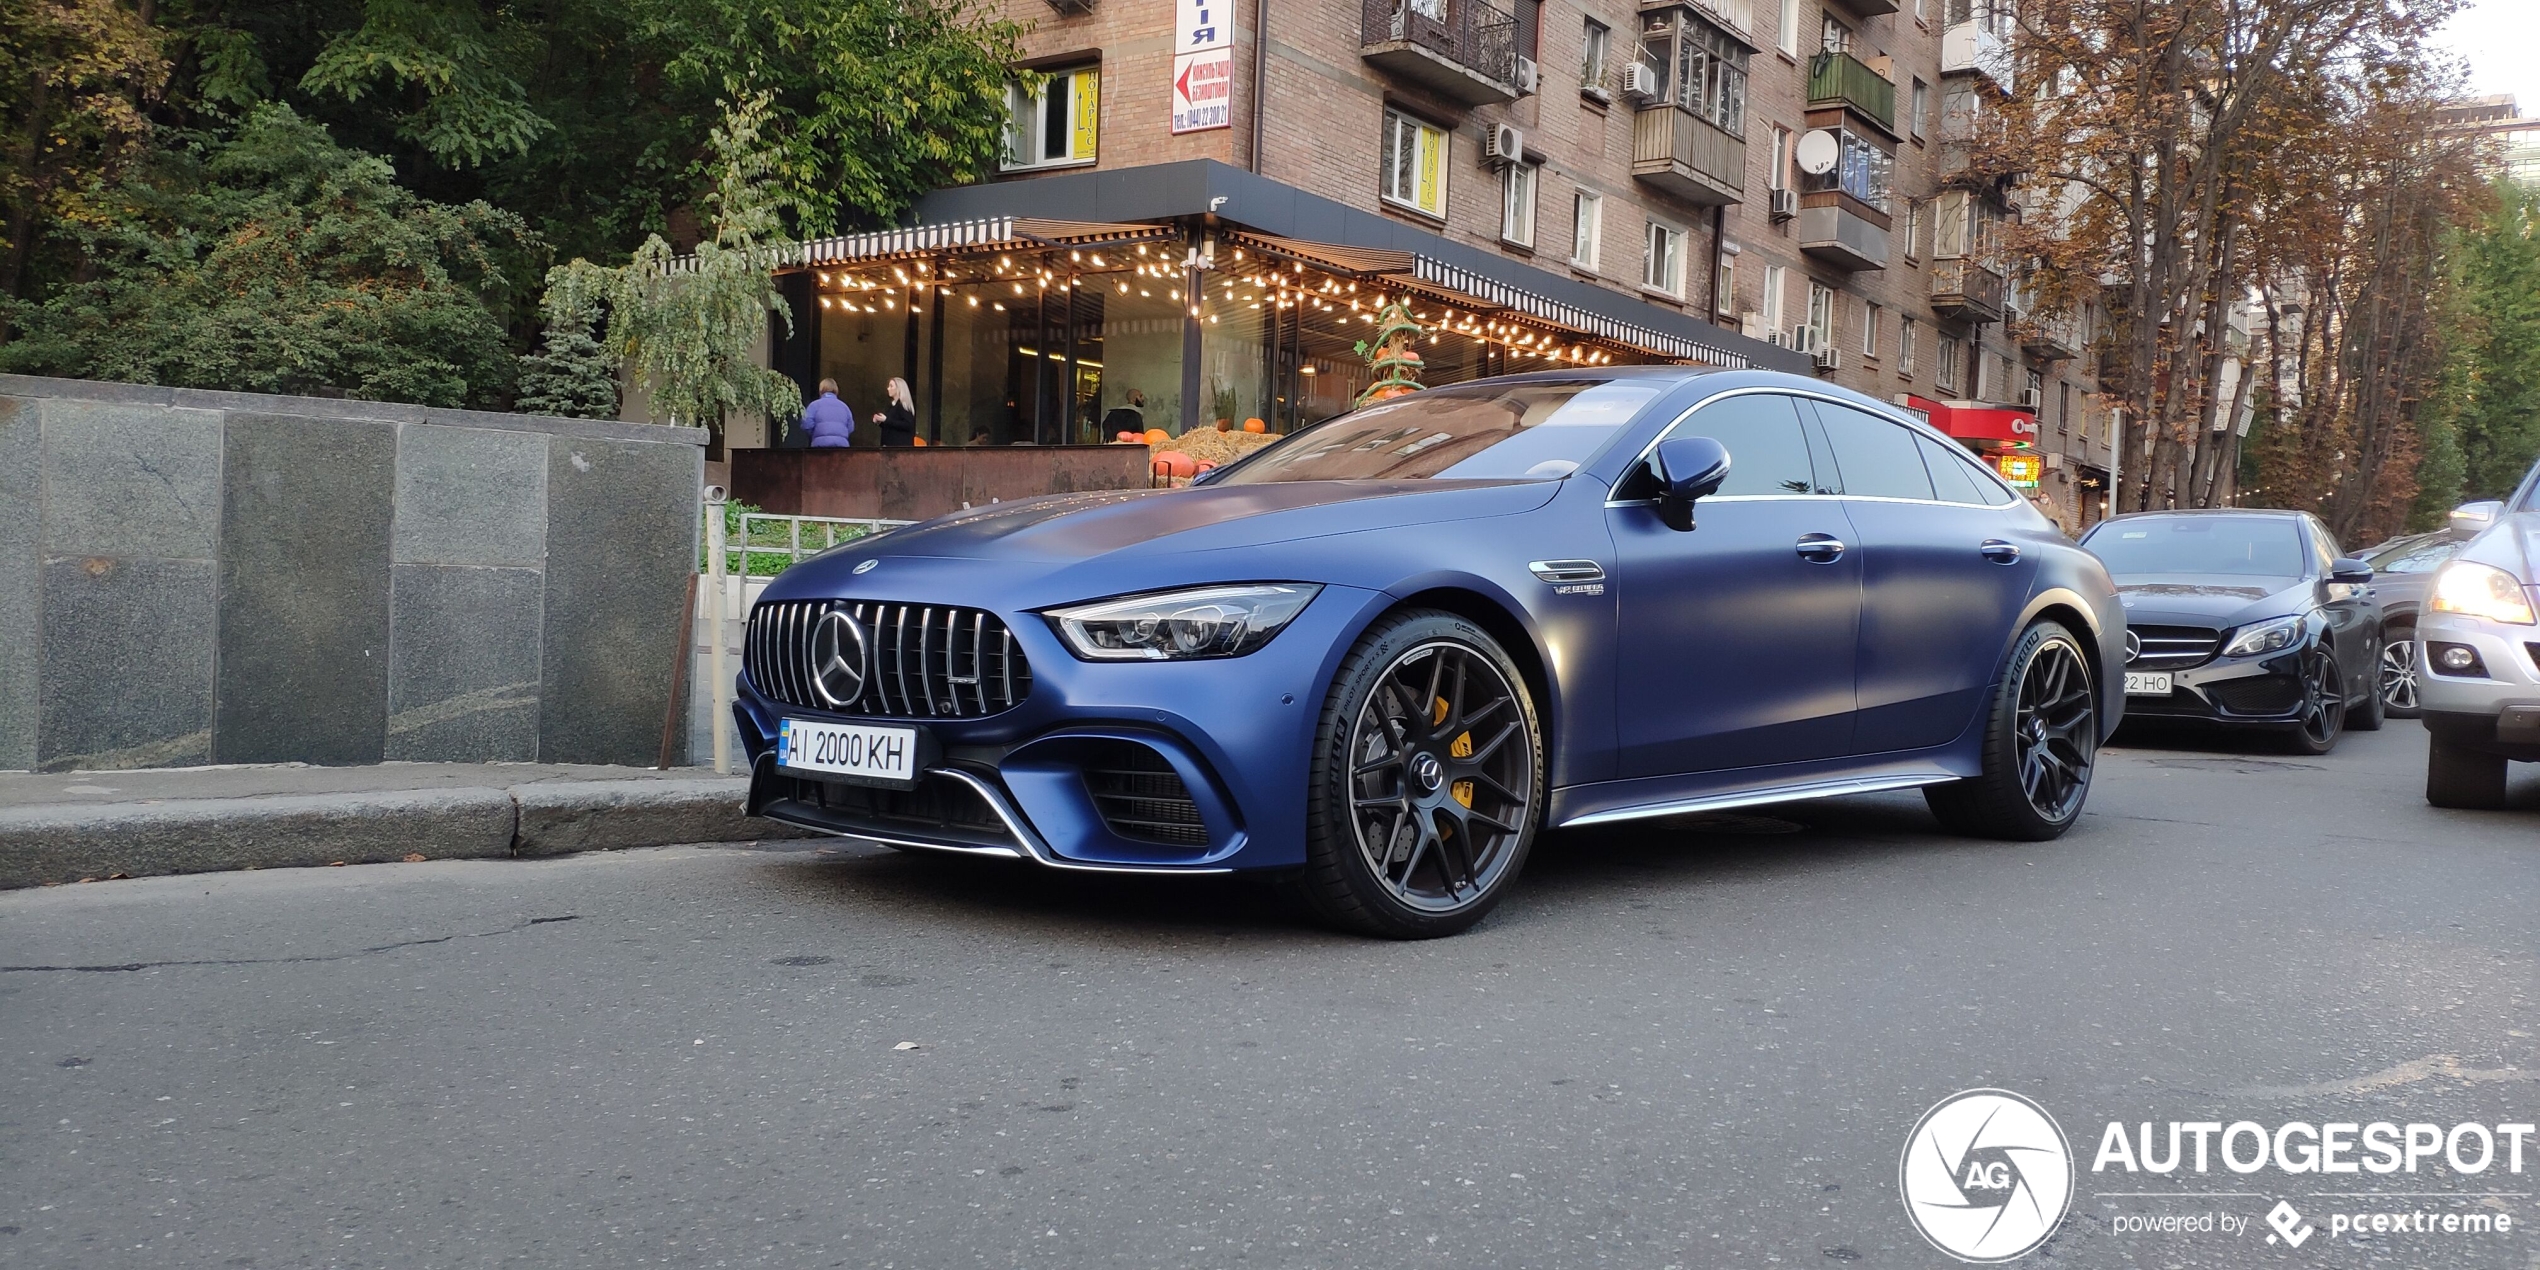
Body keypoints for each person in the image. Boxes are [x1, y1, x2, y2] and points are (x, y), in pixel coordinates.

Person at [802, 378, 855, 448]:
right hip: (842, 446)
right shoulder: (844, 407)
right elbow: (850, 427)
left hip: (820, 445)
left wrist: (816, 434)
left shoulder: (814, 405)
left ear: (821, 389)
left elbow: (806, 424)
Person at [871, 377, 918, 446]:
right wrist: (880, 422)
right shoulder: (892, 406)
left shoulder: (903, 406)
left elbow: (908, 425)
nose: (888, 388)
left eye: (891, 386)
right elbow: (892, 425)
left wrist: (886, 420)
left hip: (899, 447)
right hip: (889, 446)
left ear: (899, 389)